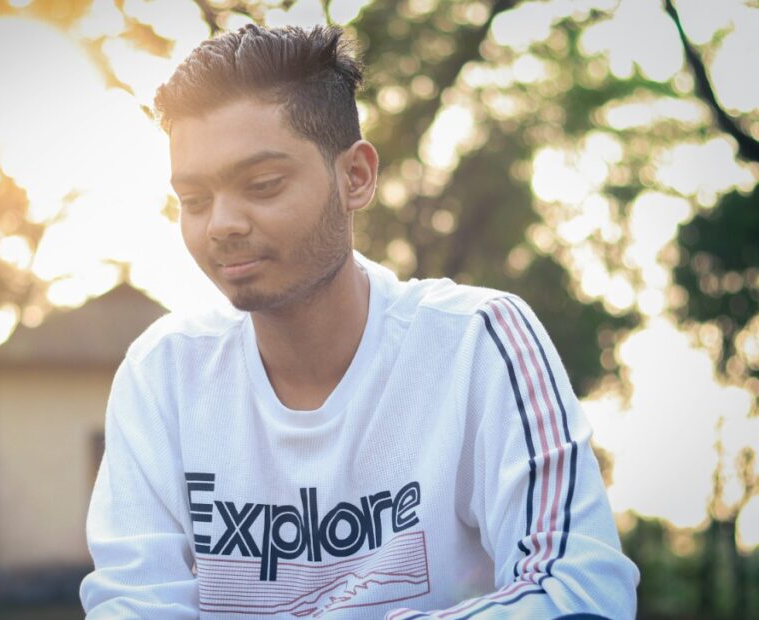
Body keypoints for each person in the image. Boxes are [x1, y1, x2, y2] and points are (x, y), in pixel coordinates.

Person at [79, 24, 639, 619]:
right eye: (194, 201)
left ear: (357, 177)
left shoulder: (479, 341)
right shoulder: (163, 372)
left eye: (262, 185)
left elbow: (579, 594)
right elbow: (132, 605)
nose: (221, 224)